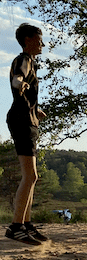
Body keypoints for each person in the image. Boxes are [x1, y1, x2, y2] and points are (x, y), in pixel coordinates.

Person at [5, 23, 48, 246]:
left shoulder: (31, 62)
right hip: (21, 121)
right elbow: (18, 78)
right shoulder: (23, 59)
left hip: (27, 119)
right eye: (39, 40)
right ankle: (15, 227)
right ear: (29, 39)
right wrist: (18, 84)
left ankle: (26, 223)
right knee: (29, 176)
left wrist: (35, 109)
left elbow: (25, 90)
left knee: (33, 177)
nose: (42, 44)